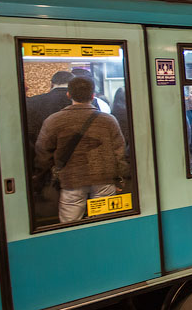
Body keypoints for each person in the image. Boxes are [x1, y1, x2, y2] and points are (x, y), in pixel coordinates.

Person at [34, 76, 129, 223]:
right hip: (104, 179)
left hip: (71, 180)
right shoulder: (108, 120)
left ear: (68, 94)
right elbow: (119, 151)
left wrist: (43, 176)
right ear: (93, 95)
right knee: (104, 223)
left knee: (71, 224)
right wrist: (120, 178)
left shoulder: (54, 120)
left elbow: (42, 152)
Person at [26, 71, 74, 145]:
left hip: (42, 150)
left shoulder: (32, 101)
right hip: (74, 151)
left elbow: (29, 132)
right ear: (73, 84)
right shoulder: (83, 101)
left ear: (51, 84)